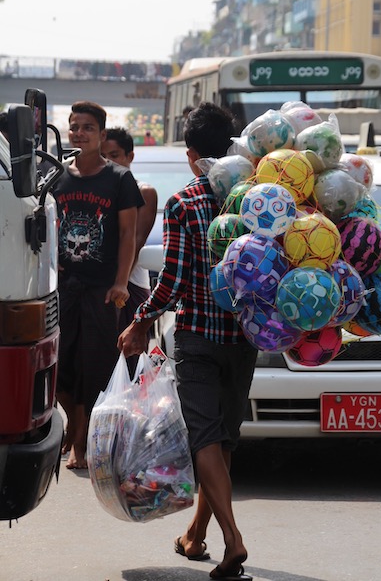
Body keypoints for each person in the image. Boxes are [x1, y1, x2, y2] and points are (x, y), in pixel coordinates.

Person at [118, 102, 256, 581]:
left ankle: (233, 541)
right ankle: (196, 536)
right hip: (245, 338)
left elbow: (172, 281)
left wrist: (139, 320)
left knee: (204, 438)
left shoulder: (186, 203)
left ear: (192, 153)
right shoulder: (255, 198)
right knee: (223, 440)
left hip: (199, 337)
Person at [52, 101, 144, 470]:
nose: (79, 133)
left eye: (87, 128)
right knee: (60, 365)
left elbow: (128, 234)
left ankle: (81, 440)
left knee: (96, 365)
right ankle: (74, 426)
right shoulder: (57, 175)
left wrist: (122, 282)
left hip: (102, 288)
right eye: (74, 127)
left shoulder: (119, 179)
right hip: (63, 287)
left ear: (101, 134)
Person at [101, 127, 158, 329]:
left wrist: (119, 284)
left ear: (130, 156)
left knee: (128, 357)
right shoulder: (93, 190)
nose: (108, 161)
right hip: (95, 287)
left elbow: (135, 241)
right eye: (102, 155)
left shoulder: (144, 192)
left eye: (114, 155)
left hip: (128, 286)